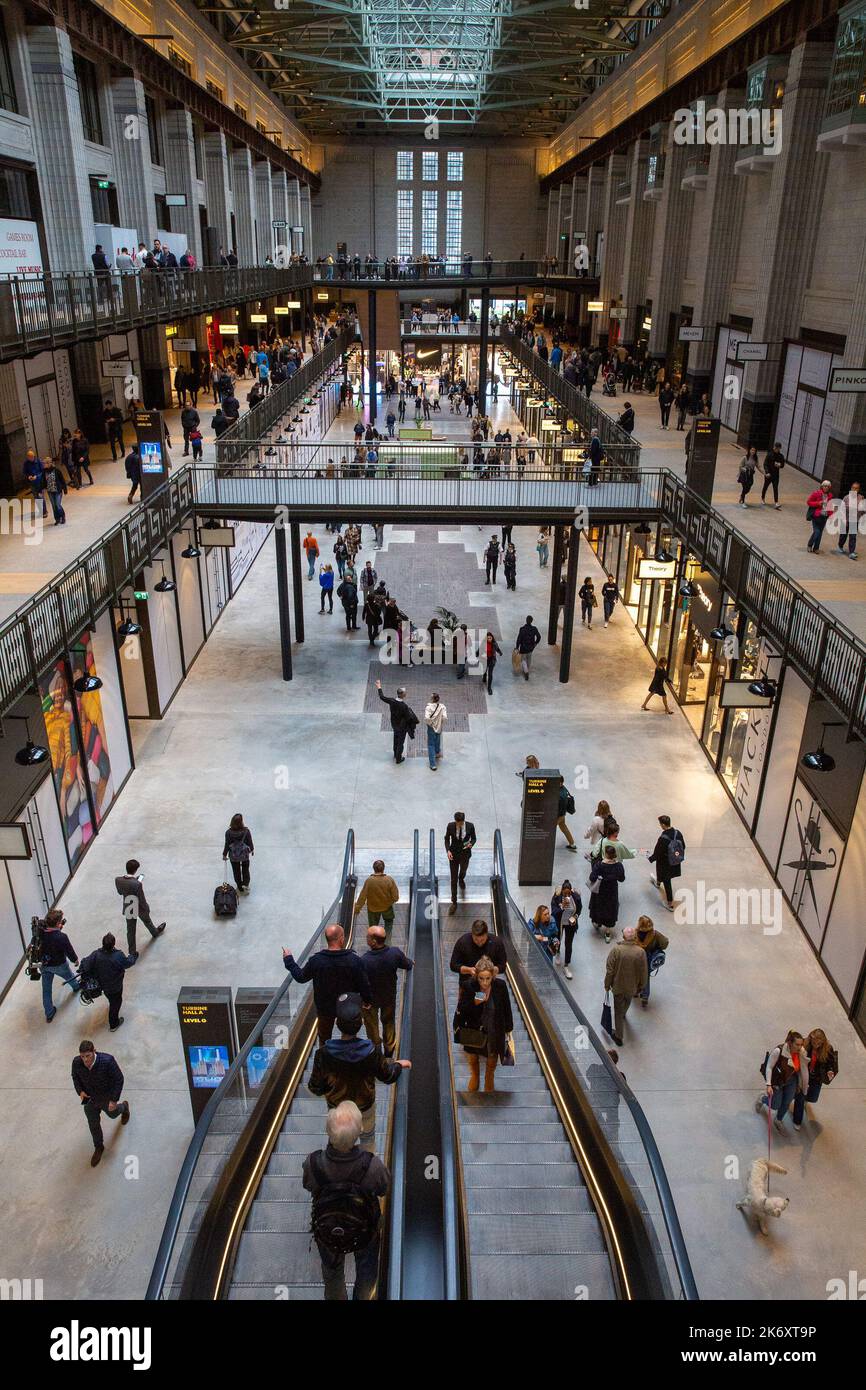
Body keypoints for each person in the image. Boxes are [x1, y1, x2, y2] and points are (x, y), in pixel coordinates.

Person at [302, 1100, 390, 1301]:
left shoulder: (313, 1163)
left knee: (332, 1273)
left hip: (327, 1231)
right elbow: (384, 1188)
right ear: (359, 1131)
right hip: (365, 1230)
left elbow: (308, 1185)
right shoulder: (372, 1166)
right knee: (367, 1271)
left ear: (328, 1132)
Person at [308, 992, 409, 1157]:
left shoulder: (324, 1054)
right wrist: (397, 1065)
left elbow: (315, 1087)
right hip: (364, 1106)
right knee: (368, 1138)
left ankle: (338, 1167)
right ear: (361, 1023)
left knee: (338, 1140)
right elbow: (388, 1076)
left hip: (337, 1108)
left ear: (337, 1024)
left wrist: (330, 1088)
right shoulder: (371, 1052)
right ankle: (366, 1170)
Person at [283, 924, 372, 1043]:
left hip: (325, 1007)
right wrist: (367, 1000)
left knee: (324, 1036)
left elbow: (301, 977)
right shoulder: (354, 960)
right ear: (341, 938)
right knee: (349, 1035)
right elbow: (363, 984)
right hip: (348, 1005)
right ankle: (347, 1054)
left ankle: (324, 1056)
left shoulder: (316, 960)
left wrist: (289, 960)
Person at [454, 955, 513, 1093]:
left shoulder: (500, 986)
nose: (485, 982)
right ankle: (475, 1076)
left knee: (492, 1056)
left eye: (488, 978)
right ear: (476, 977)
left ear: (493, 975)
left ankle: (488, 1077)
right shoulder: (469, 986)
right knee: (473, 1056)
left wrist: (509, 1029)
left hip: (494, 1028)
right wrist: (475, 1002)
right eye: (481, 978)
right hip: (474, 1030)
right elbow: (461, 1009)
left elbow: (506, 1008)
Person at [72, 1039, 130, 1167]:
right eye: (82, 1057)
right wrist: (80, 1091)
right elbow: (75, 1077)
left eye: (88, 1056)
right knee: (93, 1124)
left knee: (113, 1114)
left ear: (94, 1051)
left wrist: (114, 1100)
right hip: (89, 1099)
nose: (85, 1060)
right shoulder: (76, 1062)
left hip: (106, 1097)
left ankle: (124, 1107)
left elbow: (119, 1079)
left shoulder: (107, 1061)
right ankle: (99, 1147)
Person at [362, 926, 413, 1056]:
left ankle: (375, 1050)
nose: (365, 938)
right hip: (388, 996)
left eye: (368, 936)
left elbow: (360, 983)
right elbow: (406, 964)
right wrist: (411, 962)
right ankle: (389, 1049)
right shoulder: (394, 953)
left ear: (373, 941)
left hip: (369, 1001)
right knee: (389, 1022)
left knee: (371, 1025)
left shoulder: (364, 960)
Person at [755, 1030, 809, 1133]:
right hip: (778, 1080)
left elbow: (803, 1070)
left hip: (792, 1080)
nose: (799, 1047)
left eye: (801, 1044)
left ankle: (778, 1120)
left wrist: (804, 1086)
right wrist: (769, 1085)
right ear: (790, 1043)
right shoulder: (778, 1051)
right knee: (775, 1104)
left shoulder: (801, 1053)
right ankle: (763, 1099)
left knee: (787, 1101)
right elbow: (769, 1067)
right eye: (797, 1044)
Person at [79, 933, 135, 1032]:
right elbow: (127, 963)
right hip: (115, 986)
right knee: (116, 1002)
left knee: (111, 998)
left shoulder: (96, 954)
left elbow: (85, 964)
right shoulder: (118, 955)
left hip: (102, 985)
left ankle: (111, 1004)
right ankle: (114, 1024)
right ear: (114, 944)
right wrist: (133, 957)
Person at [603, 926, 648, 1046]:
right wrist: (642, 986)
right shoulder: (640, 952)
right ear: (635, 937)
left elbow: (610, 970)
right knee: (627, 1001)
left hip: (618, 986)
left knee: (617, 1011)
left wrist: (607, 984)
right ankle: (624, 1013)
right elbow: (644, 972)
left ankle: (619, 1036)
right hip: (632, 987)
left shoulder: (616, 950)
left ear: (623, 936)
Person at [114, 859, 166, 959]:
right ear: (135, 870)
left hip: (129, 904)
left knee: (130, 930)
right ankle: (155, 932)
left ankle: (132, 952)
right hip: (138, 906)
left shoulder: (118, 880)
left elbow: (120, 892)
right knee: (147, 921)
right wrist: (146, 908)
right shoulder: (137, 884)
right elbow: (141, 899)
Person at [40, 908, 81, 1021]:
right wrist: (75, 960)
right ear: (58, 923)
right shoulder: (61, 937)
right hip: (59, 965)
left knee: (46, 989)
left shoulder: (40, 933)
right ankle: (76, 987)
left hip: (44, 965)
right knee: (70, 977)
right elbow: (69, 951)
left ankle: (49, 1013)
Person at [792, 1028, 838, 1129]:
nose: (815, 1045)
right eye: (813, 1043)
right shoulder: (804, 1044)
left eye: (818, 1043)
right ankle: (797, 1120)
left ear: (822, 1042)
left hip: (817, 1077)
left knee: (812, 1097)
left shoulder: (828, 1049)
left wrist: (830, 1070)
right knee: (800, 1096)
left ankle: (801, 1100)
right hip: (804, 1074)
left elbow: (830, 1063)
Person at [589, 844, 625, 944]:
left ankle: (598, 922)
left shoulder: (599, 865)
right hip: (612, 891)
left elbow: (592, 877)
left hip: (600, 891)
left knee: (599, 907)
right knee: (610, 909)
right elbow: (622, 879)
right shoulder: (618, 866)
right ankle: (608, 932)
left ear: (605, 854)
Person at [375, 678, 418, 763]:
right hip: (402, 727)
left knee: (396, 739)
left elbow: (382, 697)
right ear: (403, 695)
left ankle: (395, 754)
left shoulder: (392, 701)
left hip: (394, 724)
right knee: (400, 742)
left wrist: (379, 687)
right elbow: (408, 718)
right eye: (405, 692)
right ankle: (398, 758)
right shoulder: (404, 706)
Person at [648, 814, 684, 912]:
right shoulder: (678, 833)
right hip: (675, 861)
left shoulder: (663, 838)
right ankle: (658, 882)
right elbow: (683, 846)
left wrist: (651, 858)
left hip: (665, 862)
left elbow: (658, 852)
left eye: (660, 824)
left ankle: (670, 904)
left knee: (667, 881)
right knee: (663, 875)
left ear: (663, 825)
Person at [354, 859, 400, 932]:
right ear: (383, 868)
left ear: (373, 869)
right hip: (387, 907)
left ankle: (374, 940)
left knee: (373, 927)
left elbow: (362, 896)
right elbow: (396, 897)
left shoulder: (369, 880)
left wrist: (357, 908)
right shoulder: (389, 880)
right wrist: (390, 901)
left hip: (373, 909)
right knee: (389, 922)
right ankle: (387, 940)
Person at [444, 811, 476, 911]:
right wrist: (448, 850)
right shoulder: (450, 826)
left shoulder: (470, 826)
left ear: (463, 820)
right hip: (453, 855)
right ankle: (454, 901)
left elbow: (474, 838)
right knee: (453, 879)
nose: (459, 825)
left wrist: (471, 844)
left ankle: (461, 879)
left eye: (461, 823)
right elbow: (446, 839)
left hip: (465, 854)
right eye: (458, 823)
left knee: (463, 870)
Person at [635, 914, 668, 1006]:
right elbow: (665, 943)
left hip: (636, 959)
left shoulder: (634, 934)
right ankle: (644, 997)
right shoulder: (655, 934)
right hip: (649, 960)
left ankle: (635, 991)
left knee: (636, 974)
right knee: (646, 976)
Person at [551, 881, 580, 979]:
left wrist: (575, 917)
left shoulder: (576, 897)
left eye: (569, 893)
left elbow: (579, 909)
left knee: (569, 944)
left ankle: (566, 965)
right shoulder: (556, 897)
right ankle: (558, 952)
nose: (567, 895)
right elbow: (554, 912)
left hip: (570, 924)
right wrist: (562, 907)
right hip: (560, 923)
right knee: (558, 939)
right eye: (565, 893)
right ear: (562, 891)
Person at [223, 812, 254, 895]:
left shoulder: (228, 832)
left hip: (233, 856)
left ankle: (239, 887)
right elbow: (250, 842)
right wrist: (252, 849)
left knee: (236, 871)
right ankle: (246, 885)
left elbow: (227, 844)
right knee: (245, 869)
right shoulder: (246, 831)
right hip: (244, 855)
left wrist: (224, 854)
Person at [834, 480, 865, 559]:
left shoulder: (861, 498)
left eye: (856, 488)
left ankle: (851, 552)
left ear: (859, 489)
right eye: (853, 488)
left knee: (853, 537)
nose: (854, 490)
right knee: (843, 535)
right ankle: (840, 546)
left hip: (854, 521)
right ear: (851, 488)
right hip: (845, 520)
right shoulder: (846, 498)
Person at [806, 480, 833, 553]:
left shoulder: (830, 496)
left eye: (828, 486)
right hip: (816, 516)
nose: (826, 488)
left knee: (820, 533)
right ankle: (809, 545)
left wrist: (831, 516)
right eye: (825, 486)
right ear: (822, 486)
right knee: (817, 532)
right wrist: (818, 503)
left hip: (824, 517)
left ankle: (816, 548)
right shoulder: (816, 493)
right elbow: (809, 502)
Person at [425, 691, 447, 771]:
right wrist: (441, 723)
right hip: (439, 726)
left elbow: (427, 718)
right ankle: (437, 753)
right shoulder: (442, 707)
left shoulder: (428, 707)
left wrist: (430, 724)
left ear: (432, 699)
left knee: (431, 745)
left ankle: (433, 764)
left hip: (431, 727)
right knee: (437, 739)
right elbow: (444, 718)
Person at [515, 614, 541, 681]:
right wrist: (535, 643)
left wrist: (517, 647)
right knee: (529, 658)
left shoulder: (522, 629)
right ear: (531, 621)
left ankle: (526, 672)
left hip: (523, 648)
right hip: (531, 647)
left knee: (523, 660)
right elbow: (539, 637)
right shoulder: (534, 629)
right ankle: (527, 670)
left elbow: (519, 639)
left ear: (526, 620)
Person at [43, 456, 67, 525]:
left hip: (57, 491)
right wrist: (40, 490)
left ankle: (63, 517)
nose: (44, 465)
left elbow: (62, 480)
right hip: (50, 491)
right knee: (54, 506)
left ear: (49, 463)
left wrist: (65, 489)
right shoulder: (44, 472)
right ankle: (57, 519)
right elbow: (43, 481)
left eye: (45, 463)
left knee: (58, 505)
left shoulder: (56, 470)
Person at [761, 442, 785, 508]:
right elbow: (765, 464)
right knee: (765, 486)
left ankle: (776, 502)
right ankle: (763, 498)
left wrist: (780, 465)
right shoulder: (769, 454)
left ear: (779, 448)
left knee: (775, 488)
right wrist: (767, 472)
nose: (775, 448)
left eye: (777, 448)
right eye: (775, 447)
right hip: (769, 474)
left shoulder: (781, 456)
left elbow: (782, 465)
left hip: (776, 475)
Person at [557, 778, 578, 851]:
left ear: (561, 783)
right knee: (564, 827)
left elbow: (558, 807)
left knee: (549, 830)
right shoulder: (564, 789)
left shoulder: (560, 795)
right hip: (562, 815)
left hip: (558, 816)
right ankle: (572, 844)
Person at [24, 449, 47, 516]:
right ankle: (41, 511)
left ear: (33, 456)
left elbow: (43, 471)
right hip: (32, 484)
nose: (30, 458)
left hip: (40, 483)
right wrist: (28, 476)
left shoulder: (39, 461)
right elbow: (25, 472)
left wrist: (37, 476)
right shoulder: (26, 463)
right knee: (36, 498)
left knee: (41, 497)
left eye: (31, 457)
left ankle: (45, 512)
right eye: (29, 457)